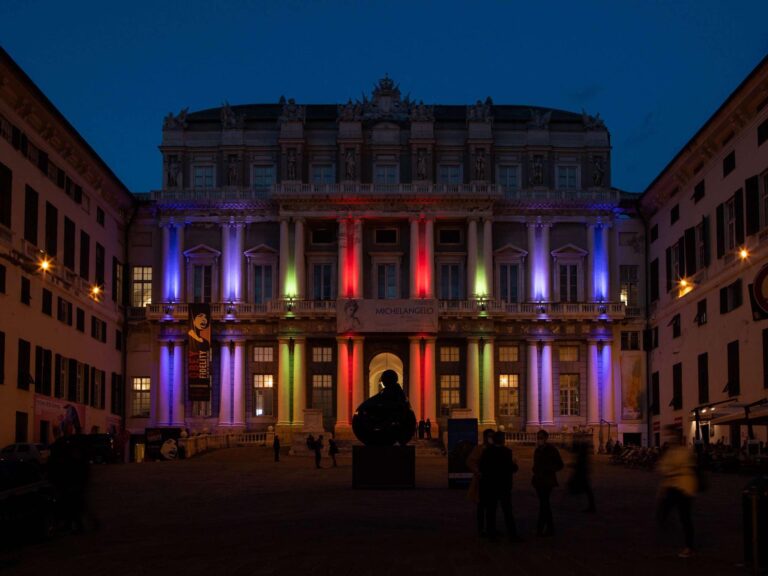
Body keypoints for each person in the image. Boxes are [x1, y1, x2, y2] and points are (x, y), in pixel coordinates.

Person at [656, 435, 697, 558]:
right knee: (665, 512)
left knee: (685, 517)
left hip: (683, 488)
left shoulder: (683, 452)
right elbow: (662, 467)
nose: (671, 441)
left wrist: (671, 470)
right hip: (675, 487)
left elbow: (665, 468)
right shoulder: (674, 452)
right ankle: (685, 541)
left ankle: (689, 546)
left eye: (673, 438)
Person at [479, 431, 521, 542]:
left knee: (491, 511)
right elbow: (512, 469)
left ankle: (491, 534)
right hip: (504, 486)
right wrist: (515, 464)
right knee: (507, 511)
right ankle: (512, 534)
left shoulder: (487, 452)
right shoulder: (507, 452)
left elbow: (482, 467)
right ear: (503, 440)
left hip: (490, 485)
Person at [532, 429, 564, 537]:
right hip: (538, 481)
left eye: (541, 437)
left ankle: (541, 529)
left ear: (546, 438)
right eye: (538, 437)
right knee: (544, 505)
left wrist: (548, 469)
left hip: (548, 481)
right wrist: (535, 470)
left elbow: (560, 465)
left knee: (544, 505)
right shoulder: (538, 450)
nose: (539, 439)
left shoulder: (552, 449)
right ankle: (549, 528)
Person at [466, 428, 495, 537]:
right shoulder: (479, 449)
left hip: (493, 482)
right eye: (489, 436)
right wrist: (477, 471)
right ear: (485, 437)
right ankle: (481, 529)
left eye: (492, 436)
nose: (491, 438)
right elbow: (470, 461)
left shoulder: (495, 449)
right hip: (482, 481)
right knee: (481, 507)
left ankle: (491, 528)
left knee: (492, 507)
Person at [567, 441, 596, 513]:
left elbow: (580, 465)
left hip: (581, 476)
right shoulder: (584, 455)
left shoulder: (582, 455)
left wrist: (572, 465)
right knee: (588, 491)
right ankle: (591, 506)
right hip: (583, 475)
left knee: (585, 490)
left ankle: (589, 506)